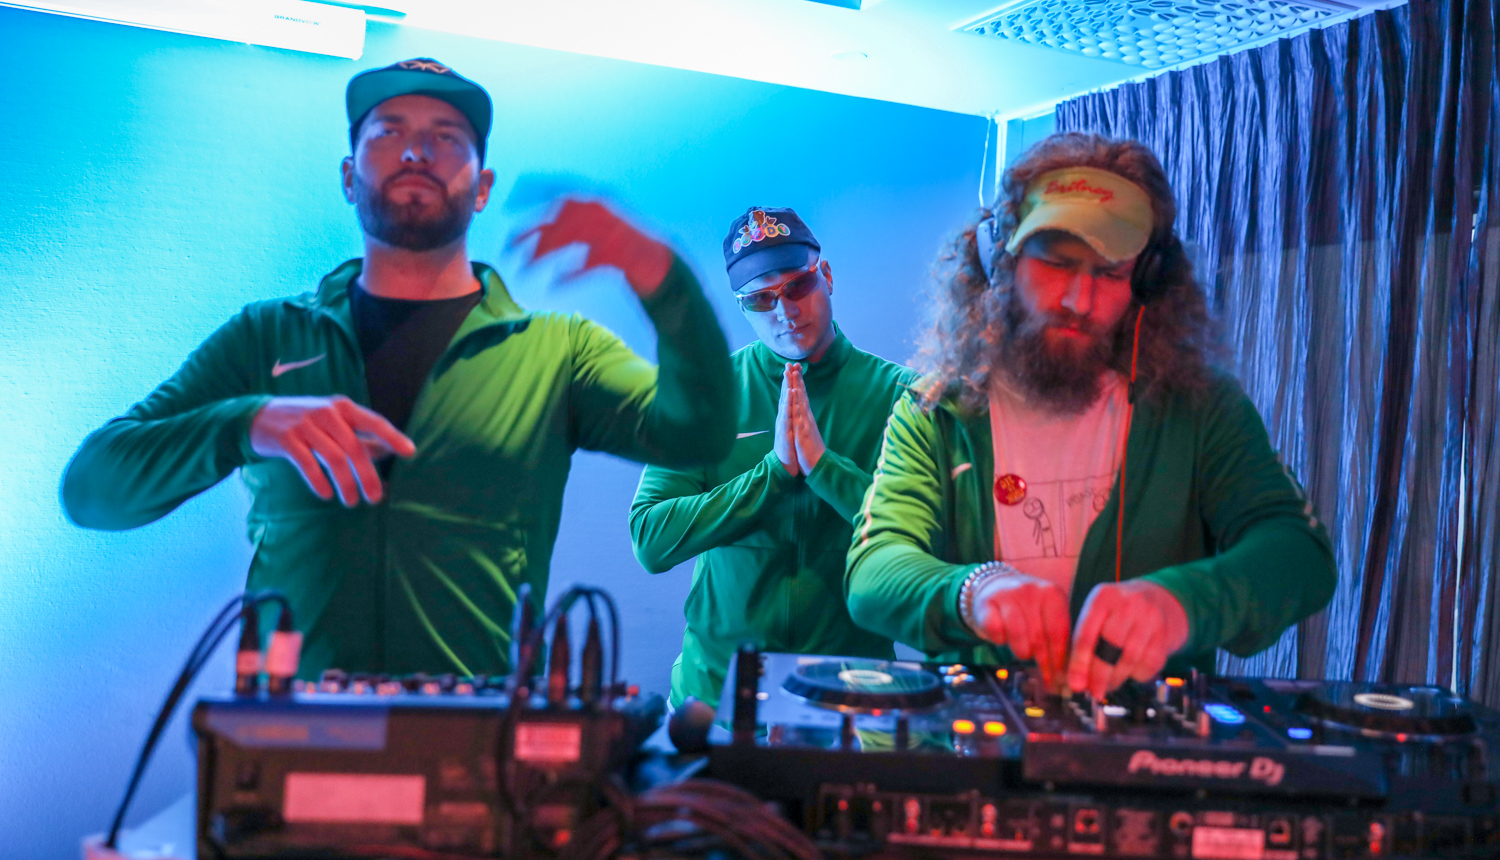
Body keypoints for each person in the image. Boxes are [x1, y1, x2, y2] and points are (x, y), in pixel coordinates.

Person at [61, 58, 736, 679]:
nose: (416, 151)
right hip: (288, 733)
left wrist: (661, 277)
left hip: (481, 740)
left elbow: (700, 436)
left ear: (483, 187)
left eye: (446, 136)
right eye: (388, 132)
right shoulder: (266, 336)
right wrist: (249, 423)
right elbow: (91, 489)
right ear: (348, 176)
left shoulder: (558, 350)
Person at [846, 133, 1336, 699]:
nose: (1079, 300)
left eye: (1110, 273)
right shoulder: (936, 412)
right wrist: (972, 590)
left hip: (1150, 744)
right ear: (1002, 262)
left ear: (1147, 280)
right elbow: (873, 567)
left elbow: (1298, 550)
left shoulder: (1202, 406)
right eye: (1057, 263)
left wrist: (1181, 602)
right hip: (985, 737)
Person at [630, 207, 918, 708]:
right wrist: (772, 474)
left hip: (848, 699)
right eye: (760, 299)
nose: (784, 311)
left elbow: (930, 541)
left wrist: (824, 468)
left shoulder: (903, 397)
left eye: (797, 286)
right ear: (742, 308)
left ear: (826, 277)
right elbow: (651, 540)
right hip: (714, 699)